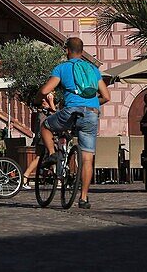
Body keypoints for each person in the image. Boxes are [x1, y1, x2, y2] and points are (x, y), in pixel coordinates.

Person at [37, 37, 110, 210]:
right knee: (87, 158)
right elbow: (106, 96)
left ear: (67, 51)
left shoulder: (62, 68)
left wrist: (37, 98)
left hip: (71, 111)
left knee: (46, 127)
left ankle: (53, 153)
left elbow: (46, 90)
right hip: (91, 113)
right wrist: (90, 105)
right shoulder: (92, 69)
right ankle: (83, 198)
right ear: (82, 51)